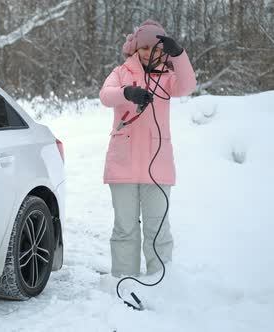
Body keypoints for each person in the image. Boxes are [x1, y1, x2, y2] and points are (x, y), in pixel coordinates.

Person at [99, 20, 196, 278]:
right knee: (124, 229)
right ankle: (123, 279)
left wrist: (179, 54)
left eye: (152, 47)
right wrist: (127, 93)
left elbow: (189, 86)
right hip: (123, 164)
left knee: (158, 229)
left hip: (158, 165)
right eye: (142, 46)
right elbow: (105, 95)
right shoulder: (120, 72)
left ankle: (160, 280)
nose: (146, 52)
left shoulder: (168, 78)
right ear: (134, 47)